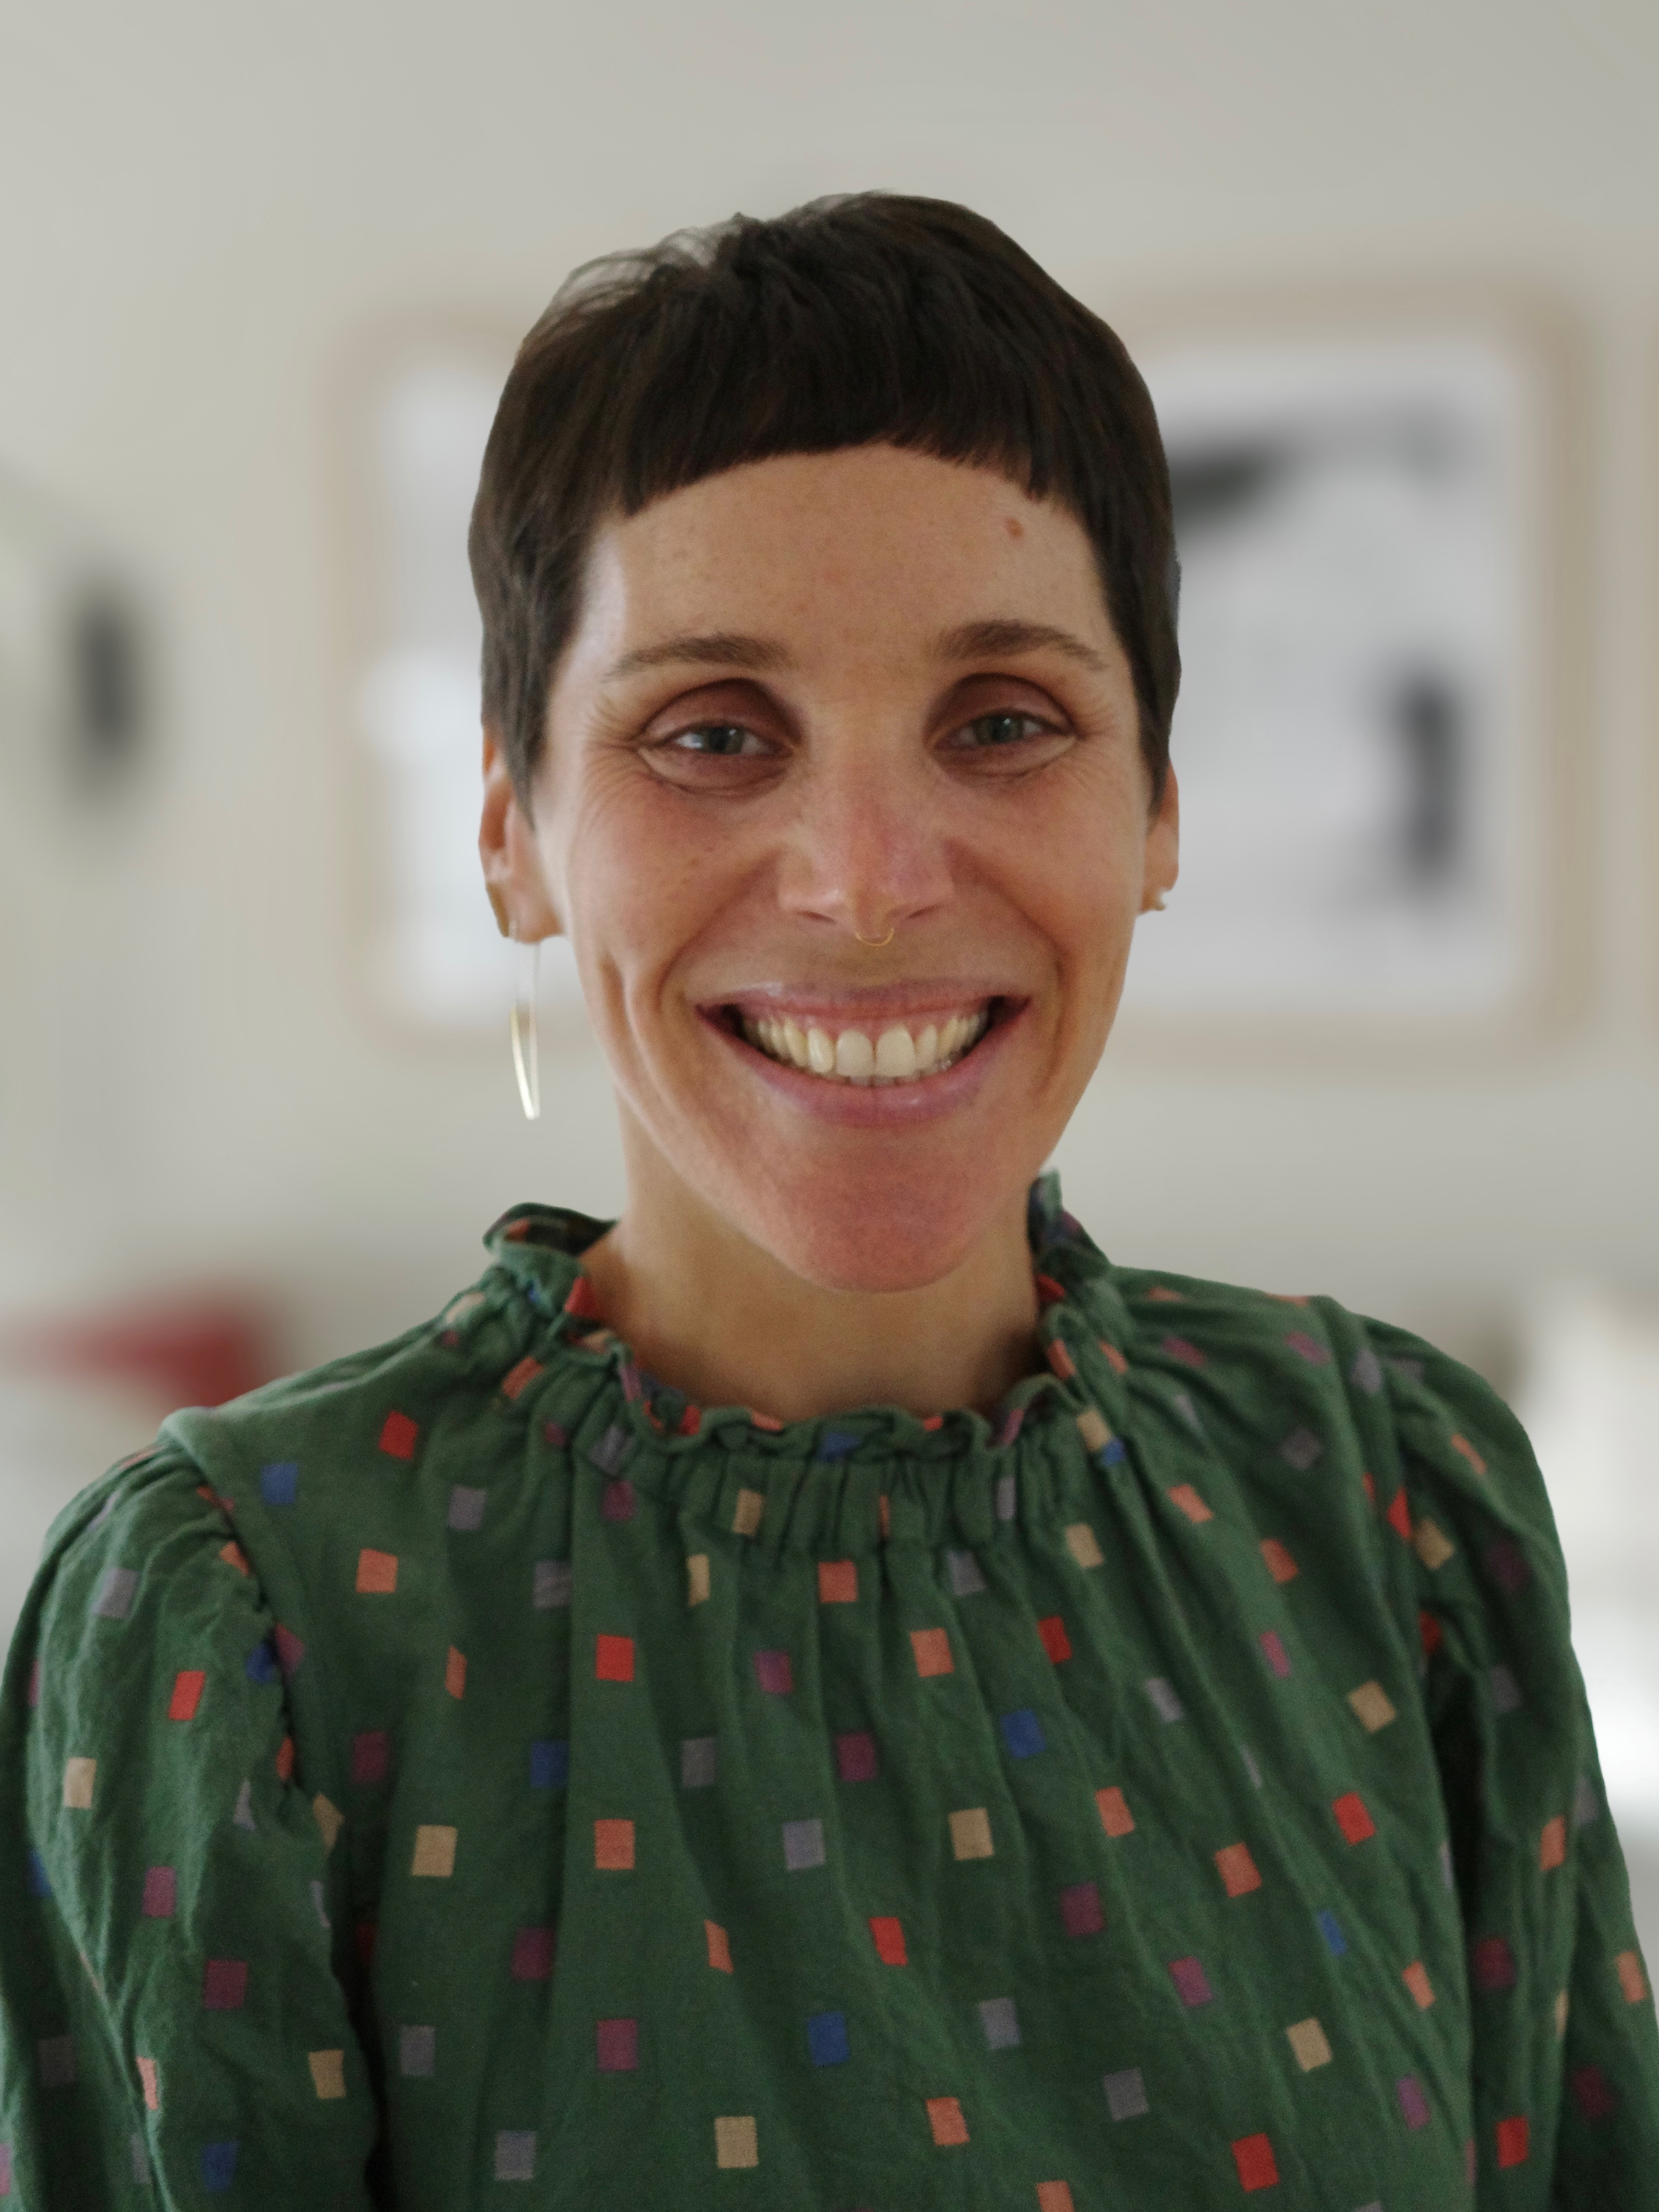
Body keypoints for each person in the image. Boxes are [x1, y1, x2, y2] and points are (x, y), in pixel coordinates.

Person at [1, 194, 1653, 2212]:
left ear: (1156, 809)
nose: (867, 878)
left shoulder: (1401, 1498)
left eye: (1005, 724)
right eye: (711, 733)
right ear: (514, 834)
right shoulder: (233, 1624)